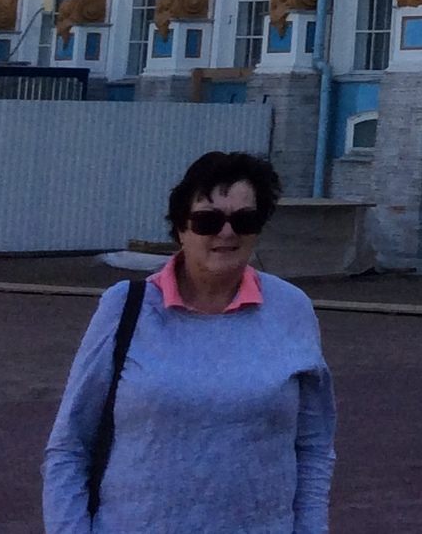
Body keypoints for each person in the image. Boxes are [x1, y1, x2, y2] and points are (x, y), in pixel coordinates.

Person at [43, 151, 335, 533]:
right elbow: (69, 446)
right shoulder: (125, 307)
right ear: (181, 228)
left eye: (243, 220)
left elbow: (313, 448)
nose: (226, 233)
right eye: (207, 220)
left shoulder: (292, 309)